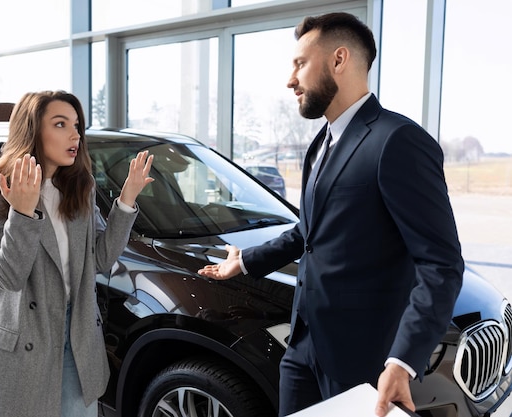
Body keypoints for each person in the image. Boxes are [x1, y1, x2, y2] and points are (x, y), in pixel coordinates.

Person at [198, 12, 463, 417]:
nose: (291, 80)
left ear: (339, 60)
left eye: (300, 64)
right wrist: (247, 261)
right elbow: (310, 231)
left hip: (365, 362)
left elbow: (441, 265)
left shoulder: (399, 141)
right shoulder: (320, 143)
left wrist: (403, 360)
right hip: (303, 348)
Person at [0, 90, 154, 417]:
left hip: (77, 335)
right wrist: (22, 214)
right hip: (24, 339)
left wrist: (126, 201)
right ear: (33, 130)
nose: (75, 135)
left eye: (77, 125)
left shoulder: (79, 188)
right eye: (60, 124)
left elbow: (100, 259)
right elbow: (8, 277)